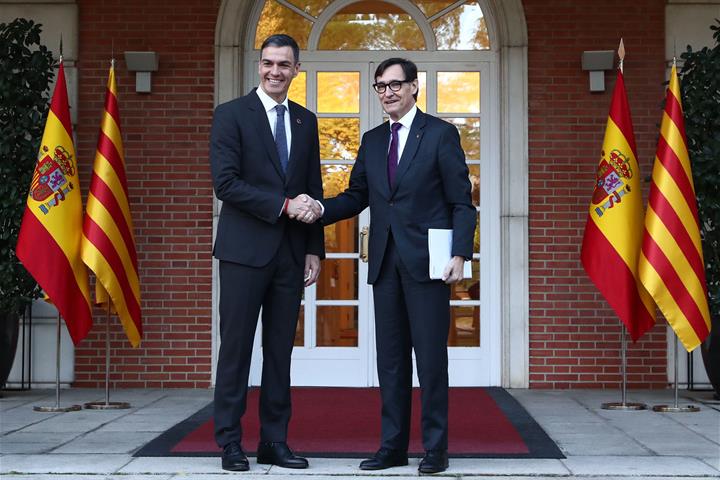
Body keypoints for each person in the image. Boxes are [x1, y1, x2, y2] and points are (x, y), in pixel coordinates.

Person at [318, 58, 475, 474]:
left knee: (430, 360)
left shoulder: (440, 135)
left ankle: (436, 449)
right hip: (385, 264)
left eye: (395, 84)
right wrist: (318, 209)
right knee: (390, 362)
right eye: (380, 86)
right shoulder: (371, 141)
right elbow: (356, 196)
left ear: (414, 87)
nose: (387, 92)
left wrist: (461, 253)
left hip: (429, 266)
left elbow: (462, 202)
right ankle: (392, 447)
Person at [209, 34, 324, 472]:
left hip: (291, 254)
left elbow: (311, 186)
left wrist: (315, 248)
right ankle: (230, 442)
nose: (275, 71)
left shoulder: (306, 121)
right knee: (236, 349)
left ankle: (274, 440)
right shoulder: (231, 115)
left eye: (284, 64)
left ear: (297, 70)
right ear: (259, 66)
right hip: (243, 253)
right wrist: (282, 206)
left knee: (280, 351)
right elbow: (227, 184)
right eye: (268, 63)